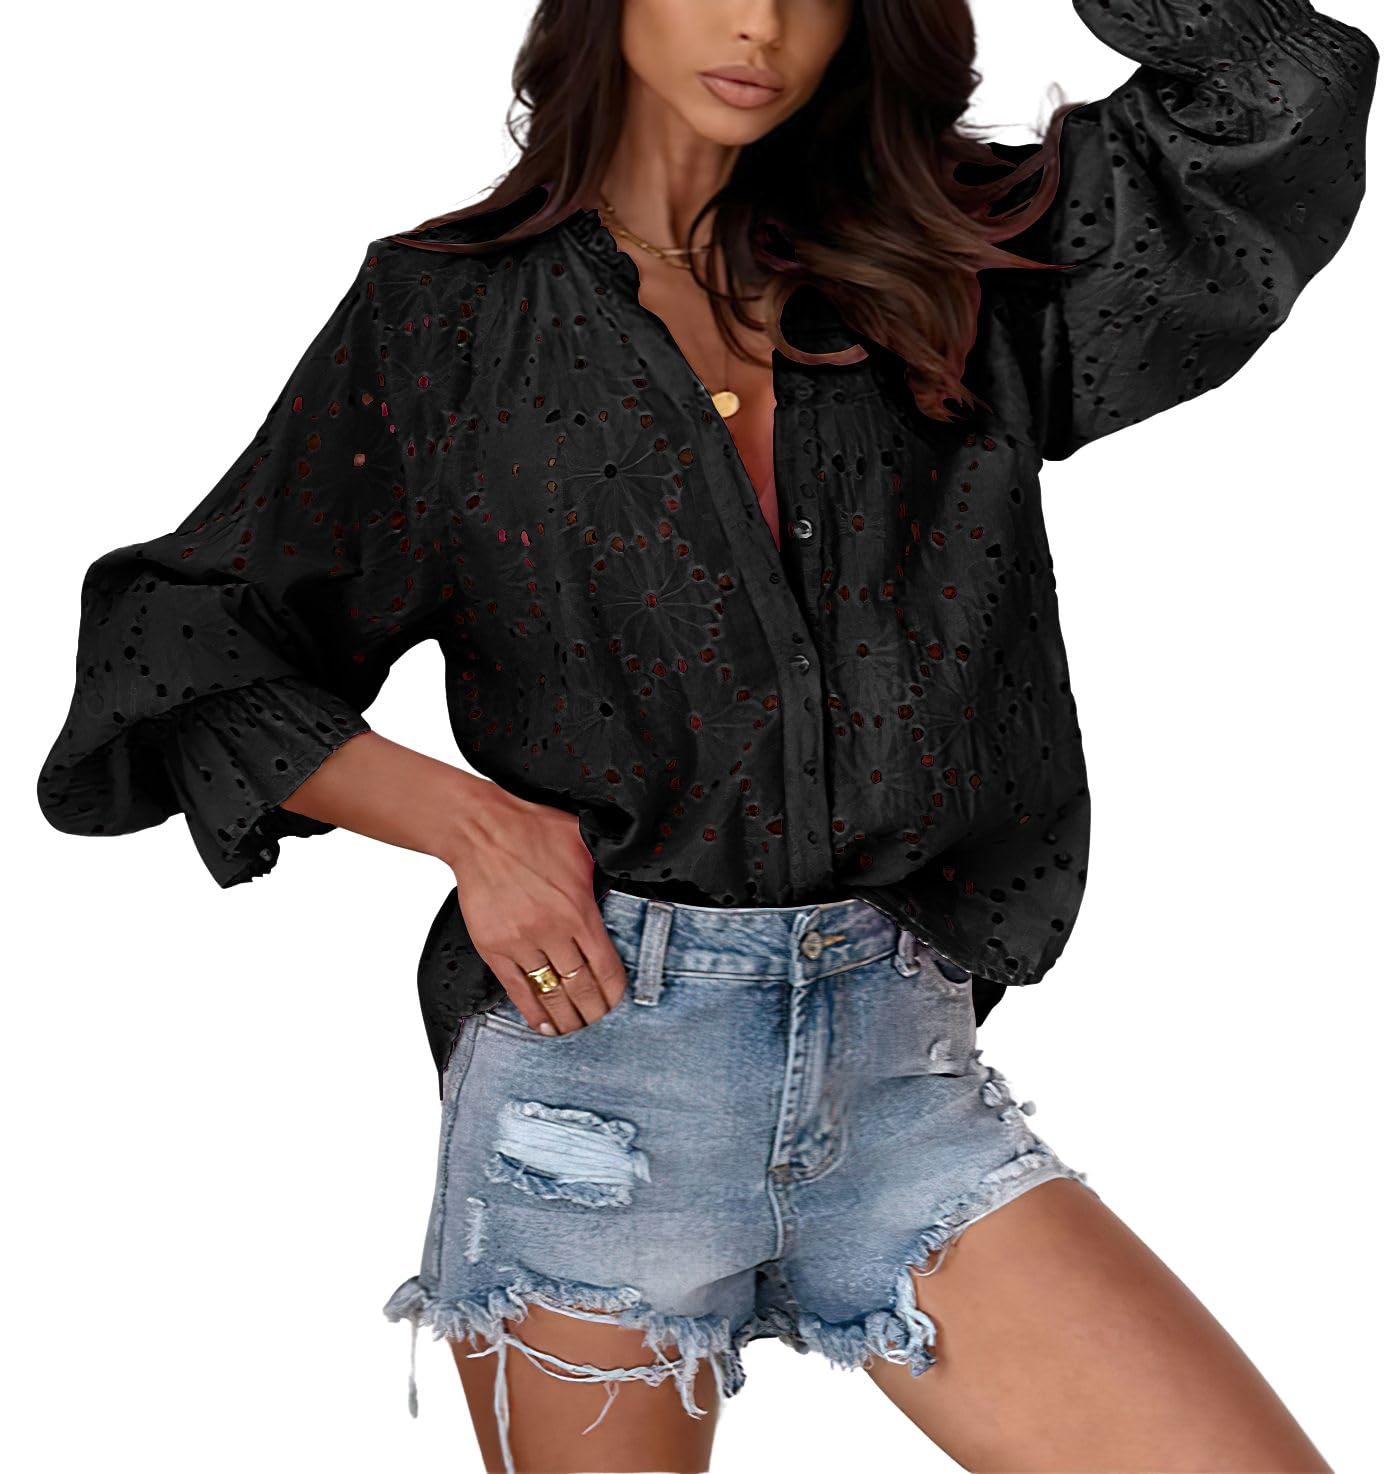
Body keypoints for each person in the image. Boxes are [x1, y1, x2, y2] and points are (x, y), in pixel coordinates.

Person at [36, 2, 1378, 1470]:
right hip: (598, 1078)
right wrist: (473, 826)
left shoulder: (946, 270)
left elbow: (1281, 97)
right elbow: (181, 638)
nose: (761, 24)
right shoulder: (447, 319)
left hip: (904, 1082)